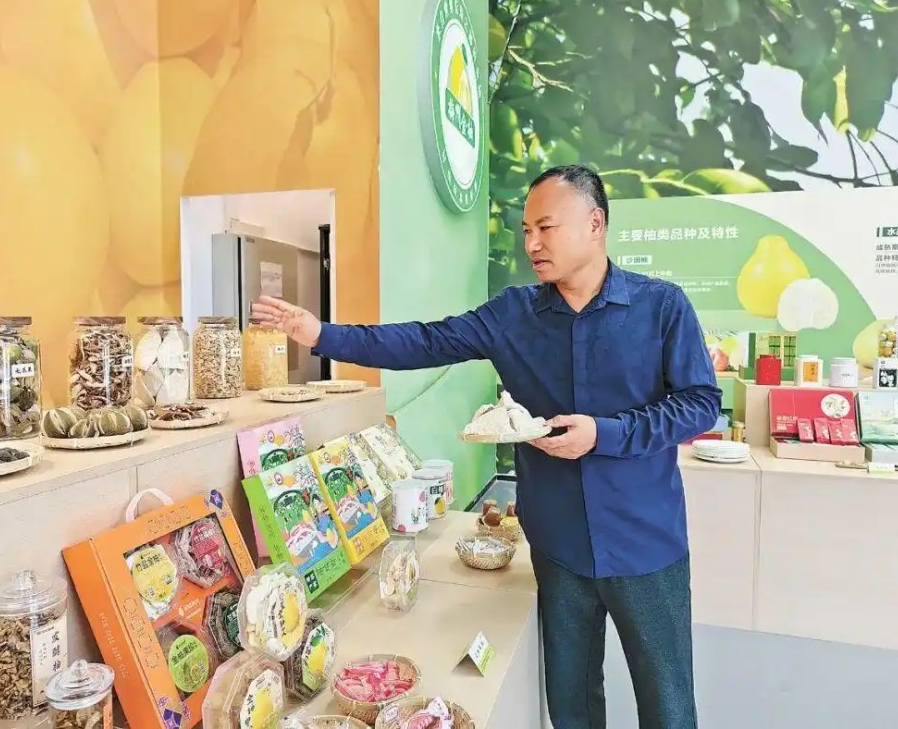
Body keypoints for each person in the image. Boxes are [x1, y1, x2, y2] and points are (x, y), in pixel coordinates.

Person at [252, 165, 721, 729]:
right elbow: (424, 340)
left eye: (545, 228)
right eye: (526, 231)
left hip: (646, 544)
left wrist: (605, 433)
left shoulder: (661, 307)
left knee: (669, 706)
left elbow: (700, 404)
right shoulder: (514, 314)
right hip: (559, 548)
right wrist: (322, 335)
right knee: (571, 705)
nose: (531, 244)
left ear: (595, 224)